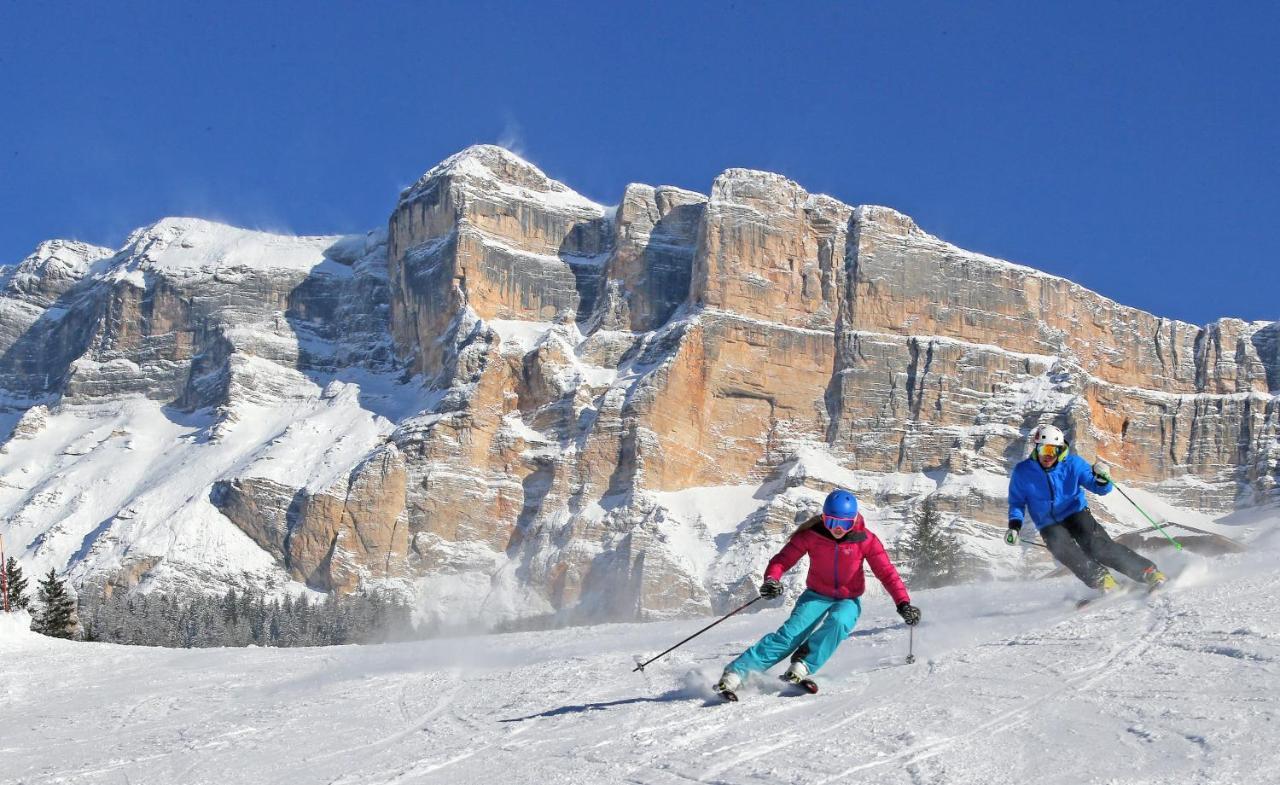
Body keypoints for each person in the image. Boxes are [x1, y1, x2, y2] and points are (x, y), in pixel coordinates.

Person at [715, 489, 920, 697]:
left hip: (849, 599)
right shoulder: (812, 536)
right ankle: (736, 674)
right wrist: (772, 579)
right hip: (816, 595)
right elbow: (782, 559)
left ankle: (803, 664)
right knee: (789, 636)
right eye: (831, 523)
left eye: (845, 524)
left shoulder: (865, 540)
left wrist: (903, 603)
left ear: (854, 520)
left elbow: (887, 573)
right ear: (823, 519)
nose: (838, 529)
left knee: (840, 621)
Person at [1006, 424, 1167, 592]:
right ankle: (1102, 580)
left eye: (1052, 451)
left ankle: (1147, 572)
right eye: (1043, 450)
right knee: (1062, 548)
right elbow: (1017, 502)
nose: (1047, 456)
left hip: (1074, 512)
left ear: (1060, 450)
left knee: (1097, 545)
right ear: (1036, 449)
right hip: (1047, 522)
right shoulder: (1023, 471)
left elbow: (1098, 488)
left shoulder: (1073, 464)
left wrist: (1102, 479)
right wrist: (1014, 527)